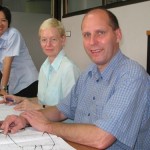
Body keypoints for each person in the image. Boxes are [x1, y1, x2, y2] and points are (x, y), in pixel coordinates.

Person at [1, 8, 150, 150]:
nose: (92, 42)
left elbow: (101, 137)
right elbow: (60, 111)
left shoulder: (132, 76)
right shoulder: (88, 74)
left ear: (117, 35)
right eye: (86, 35)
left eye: (100, 33)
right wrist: (25, 119)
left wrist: (48, 126)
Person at [1, 18, 80, 111]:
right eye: (44, 40)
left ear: (63, 40)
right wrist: (20, 99)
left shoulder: (69, 69)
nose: (48, 44)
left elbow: (71, 110)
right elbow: (41, 101)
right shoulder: (44, 67)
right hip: (44, 120)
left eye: (53, 39)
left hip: (61, 124)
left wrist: (38, 107)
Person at [0, 5, 38, 97]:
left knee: (25, 111)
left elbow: (7, 64)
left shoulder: (13, 34)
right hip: (13, 85)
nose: (0, 24)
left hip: (27, 83)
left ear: (8, 22)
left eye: (4, 20)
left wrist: (3, 88)